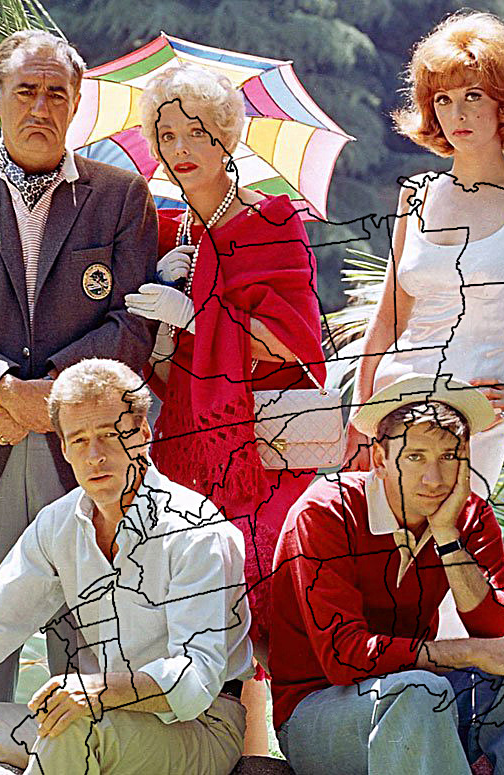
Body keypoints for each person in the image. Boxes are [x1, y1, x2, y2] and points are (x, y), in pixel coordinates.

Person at [0, 30, 158, 703]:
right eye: (25, 91)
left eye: (56, 94)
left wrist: (51, 401)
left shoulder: (122, 198)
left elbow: (134, 323)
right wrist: (9, 389)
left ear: (77, 104)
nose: (40, 107)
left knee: (91, 656)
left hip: (88, 452)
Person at [0, 359, 252, 775]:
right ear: (63, 449)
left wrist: (96, 692)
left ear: (142, 433)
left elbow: (197, 679)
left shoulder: (196, 531)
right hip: (98, 720)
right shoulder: (59, 524)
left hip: (199, 727)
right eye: (79, 440)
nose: (95, 456)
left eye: (109, 435)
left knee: (72, 729)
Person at [122, 62, 326, 755]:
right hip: (183, 441)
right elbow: (154, 368)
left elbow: (293, 346)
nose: (180, 147)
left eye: (197, 132)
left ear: (227, 137)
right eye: (166, 132)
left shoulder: (272, 221)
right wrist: (162, 316)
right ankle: (203, 743)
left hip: (262, 446)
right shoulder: (165, 232)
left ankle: (281, 744)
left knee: (262, 575)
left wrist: (199, 309)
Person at [269, 374, 504, 775]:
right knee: (420, 689)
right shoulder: (325, 512)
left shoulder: (469, 514)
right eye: (415, 457)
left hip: (420, 699)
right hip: (320, 713)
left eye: (449, 457)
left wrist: (447, 537)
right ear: (379, 459)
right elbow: (345, 657)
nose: (435, 479)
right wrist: (468, 652)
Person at [351, 11, 504, 498]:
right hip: (392, 408)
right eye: (443, 99)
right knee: (381, 563)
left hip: (475, 416)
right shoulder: (416, 193)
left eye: (472, 96)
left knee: (456, 556)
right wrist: (360, 420)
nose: (456, 113)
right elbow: (389, 318)